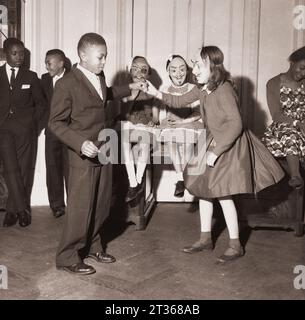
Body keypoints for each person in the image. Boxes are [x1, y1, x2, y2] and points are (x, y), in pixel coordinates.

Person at [143, 46, 285, 263]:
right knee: (203, 190)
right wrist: (156, 93)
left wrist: (216, 152)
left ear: (213, 66)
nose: (194, 70)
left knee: (223, 194)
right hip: (211, 140)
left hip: (228, 145)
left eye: (198, 65)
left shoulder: (225, 89)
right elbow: (179, 101)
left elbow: (236, 124)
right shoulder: (203, 88)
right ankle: (205, 238)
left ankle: (236, 244)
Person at [49, 33, 145, 275]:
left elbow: (105, 94)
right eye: (100, 57)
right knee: (81, 206)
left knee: (102, 203)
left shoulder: (98, 76)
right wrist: (80, 143)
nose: (104, 61)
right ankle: (67, 256)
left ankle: (92, 246)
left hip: (104, 147)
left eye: (105, 57)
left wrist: (130, 87)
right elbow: (56, 123)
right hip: (82, 153)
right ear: (83, 56)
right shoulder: (66, 84)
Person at [0, 37, 46, 227]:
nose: (19, 57)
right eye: (15, 53)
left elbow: (42, 105)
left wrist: (35, 127)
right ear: (5, 54)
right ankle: (22, 210)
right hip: (3, 129)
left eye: (22, 53)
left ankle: (11, 211)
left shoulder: (31, 76)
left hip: (25, 130)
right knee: (10, 168)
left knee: (24, 170)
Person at [158, 54, 204, 197]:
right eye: (174, 70)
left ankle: (183, 179)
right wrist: (162, 124)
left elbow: (198, 112)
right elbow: (162, 113)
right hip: (172, 124)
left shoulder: (193, 88)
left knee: (188, 142)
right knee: (171, 141)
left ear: (187, 71)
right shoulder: (164, 89)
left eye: (182, 69)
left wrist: (185, 122)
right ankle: (180, 179)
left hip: (189, 122)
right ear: (168, 72)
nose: (178, 74)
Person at [262, 46, 305, 188]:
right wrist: (298, 123)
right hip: (283, 127)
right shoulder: (273, 83)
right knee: (291, 134)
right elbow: (276, 115)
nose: (303, 73)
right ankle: (295, 176)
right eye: (302, 67)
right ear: (292, 62)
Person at [120, 56, 159, 202]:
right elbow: (124, 113)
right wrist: (134, 94)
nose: (139, 73)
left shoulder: (152, 93)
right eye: (135, 69)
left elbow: (155, 117)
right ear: (130, 72)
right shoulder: (126, 91)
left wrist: (153, 122)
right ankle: (134, 182)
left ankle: (136, 182)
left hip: (144, 127)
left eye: (143, 70)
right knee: (125, 142)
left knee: (144, 144)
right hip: (129, 125)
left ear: (148, 74)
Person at [41, 49, 70, 218]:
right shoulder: (44, 80)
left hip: (69, 132)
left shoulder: (73, 77)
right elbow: (41, 104)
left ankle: (74, 203)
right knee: (52, 168)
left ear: (61, 63)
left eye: (49, 63)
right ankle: (57, 205)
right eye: (45, 62)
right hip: (52, 132)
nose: (46, 66)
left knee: (70, 169)